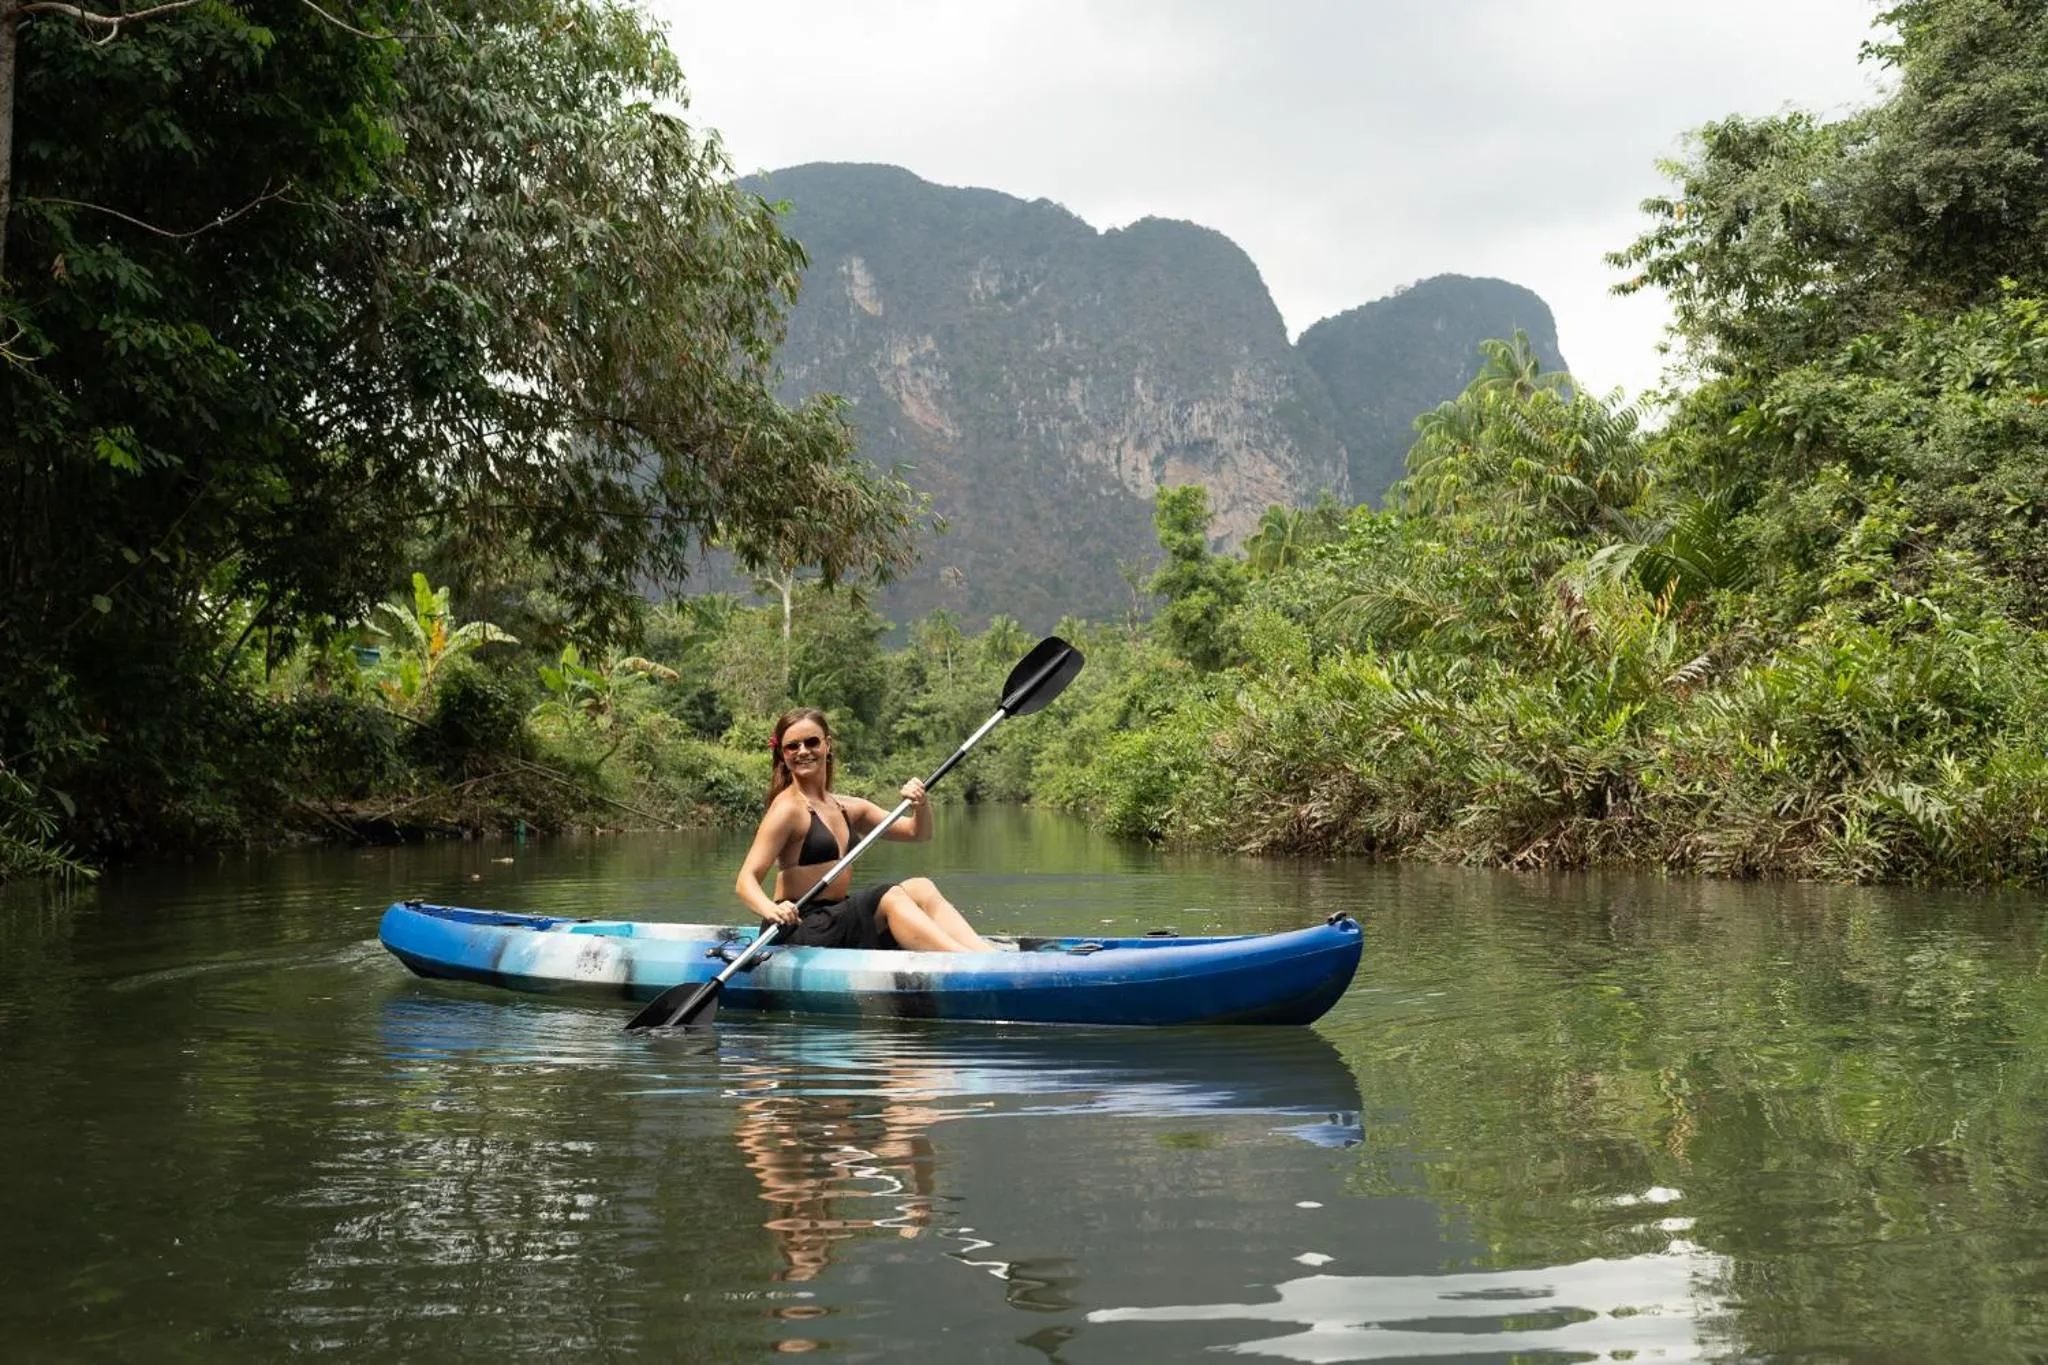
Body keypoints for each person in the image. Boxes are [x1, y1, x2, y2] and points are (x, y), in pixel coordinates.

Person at [735, 707, 995, 952]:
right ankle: (963, 959)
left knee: (921, 887)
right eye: (792, 746)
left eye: (811, 742)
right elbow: (746, 880)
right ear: (783, 754)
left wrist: (921, 803)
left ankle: (985, 955)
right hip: (799, 925)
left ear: (827, 744)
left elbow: (918, 833)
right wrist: (770, 909)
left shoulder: (849, 807)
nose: (803, 751)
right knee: (889, 896)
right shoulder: (787, 809)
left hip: (836, 916)